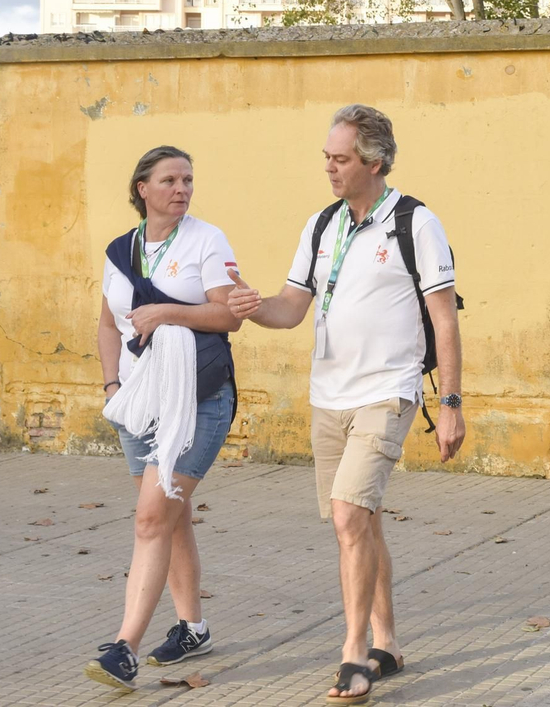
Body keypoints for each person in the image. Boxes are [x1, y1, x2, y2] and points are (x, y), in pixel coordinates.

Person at [227, 105, 466, 704]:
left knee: (347, 516)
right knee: (358, 519)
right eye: (327, 158)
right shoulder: (321, 225)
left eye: (340, 159)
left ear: (374, 161)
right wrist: (250, 306)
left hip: (389, 389)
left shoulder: (416, 222)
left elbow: (444, 319)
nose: (329, 168)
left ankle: (354, 654)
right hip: (327, 394)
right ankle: (386, 640)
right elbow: (291, 306)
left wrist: (455, 403)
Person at [86, 146, 244, 690]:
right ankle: (192, 627)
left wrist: (167, 311)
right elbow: (109, 324)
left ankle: (124, 648)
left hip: (199, 400)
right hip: (139, 401)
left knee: (152, 517)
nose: (182, 189)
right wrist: (112, 385)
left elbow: (230, 315)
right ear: (142, 189)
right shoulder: (118, 251)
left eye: (188, 180)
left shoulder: (207, 240)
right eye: (170, 180)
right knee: (169, 514)